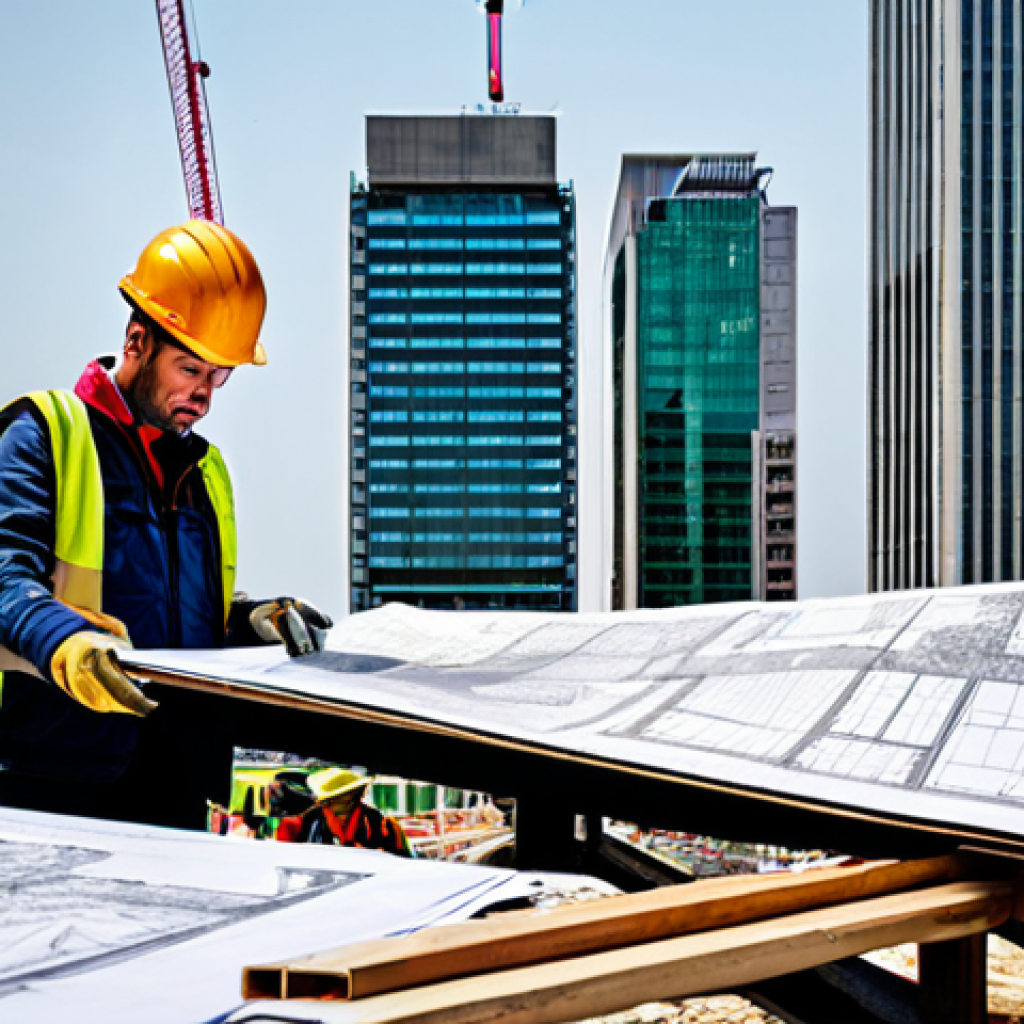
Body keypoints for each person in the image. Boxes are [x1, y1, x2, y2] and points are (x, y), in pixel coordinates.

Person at [0, 220, 331, 830]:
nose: (205, 396)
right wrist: (66, 645)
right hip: (53, 775)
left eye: (219, 376)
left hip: (174, 779)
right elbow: (4, 575)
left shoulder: (205, 472)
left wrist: (251, 621)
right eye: (190, 370)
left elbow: (181, 619)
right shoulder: (43, 432)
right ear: (136, 342)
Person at [273, 768, 411, 856]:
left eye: (336, 796)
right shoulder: (308, 820)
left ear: (353, 795)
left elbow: (399, 861)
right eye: (328, 797)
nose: (328, 802)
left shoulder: (382, 824)